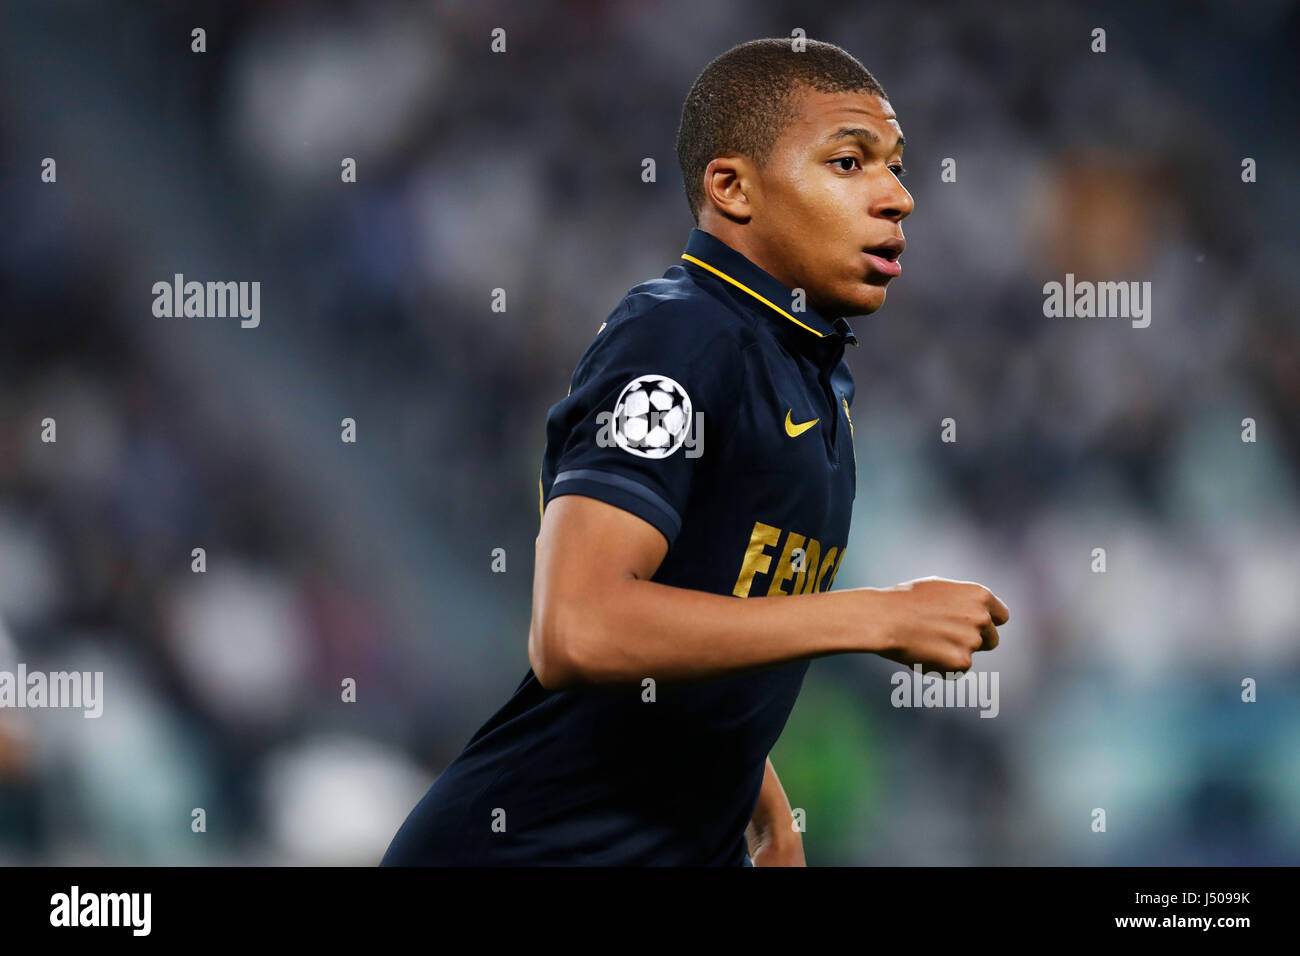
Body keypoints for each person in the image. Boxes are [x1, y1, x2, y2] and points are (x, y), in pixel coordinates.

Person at [382, 36, 1009, 867]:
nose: (898, 197)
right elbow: (580, 628)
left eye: (896, 166)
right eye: (851, 163)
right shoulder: (679, 334)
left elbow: (703, 616)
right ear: (733, 187)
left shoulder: (808, 374)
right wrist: (875, 615)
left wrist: (761, 805)